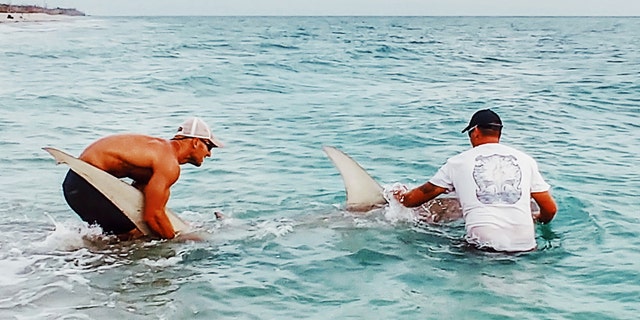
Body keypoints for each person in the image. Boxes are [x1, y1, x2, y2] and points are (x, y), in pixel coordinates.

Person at [394, 109, 557, 252]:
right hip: (526, 248)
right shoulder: (525, 160)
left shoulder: (458, 162)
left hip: (482, 249)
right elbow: (550, 210)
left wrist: (399, 195)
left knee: (422, 239)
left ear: (476, 131)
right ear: (498, 133)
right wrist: (537, 219)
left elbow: (413, 200)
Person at [62, 117, 223, 240]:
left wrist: (180, 227)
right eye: (209, 146)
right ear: (195, 142)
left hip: (76, 184)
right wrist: (176, 240)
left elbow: (139, 203)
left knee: (118, 238)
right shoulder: (168, 163)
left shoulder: (158, 151)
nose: (209, 153)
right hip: (88, 185)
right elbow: (152, 215)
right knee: (134, 236)